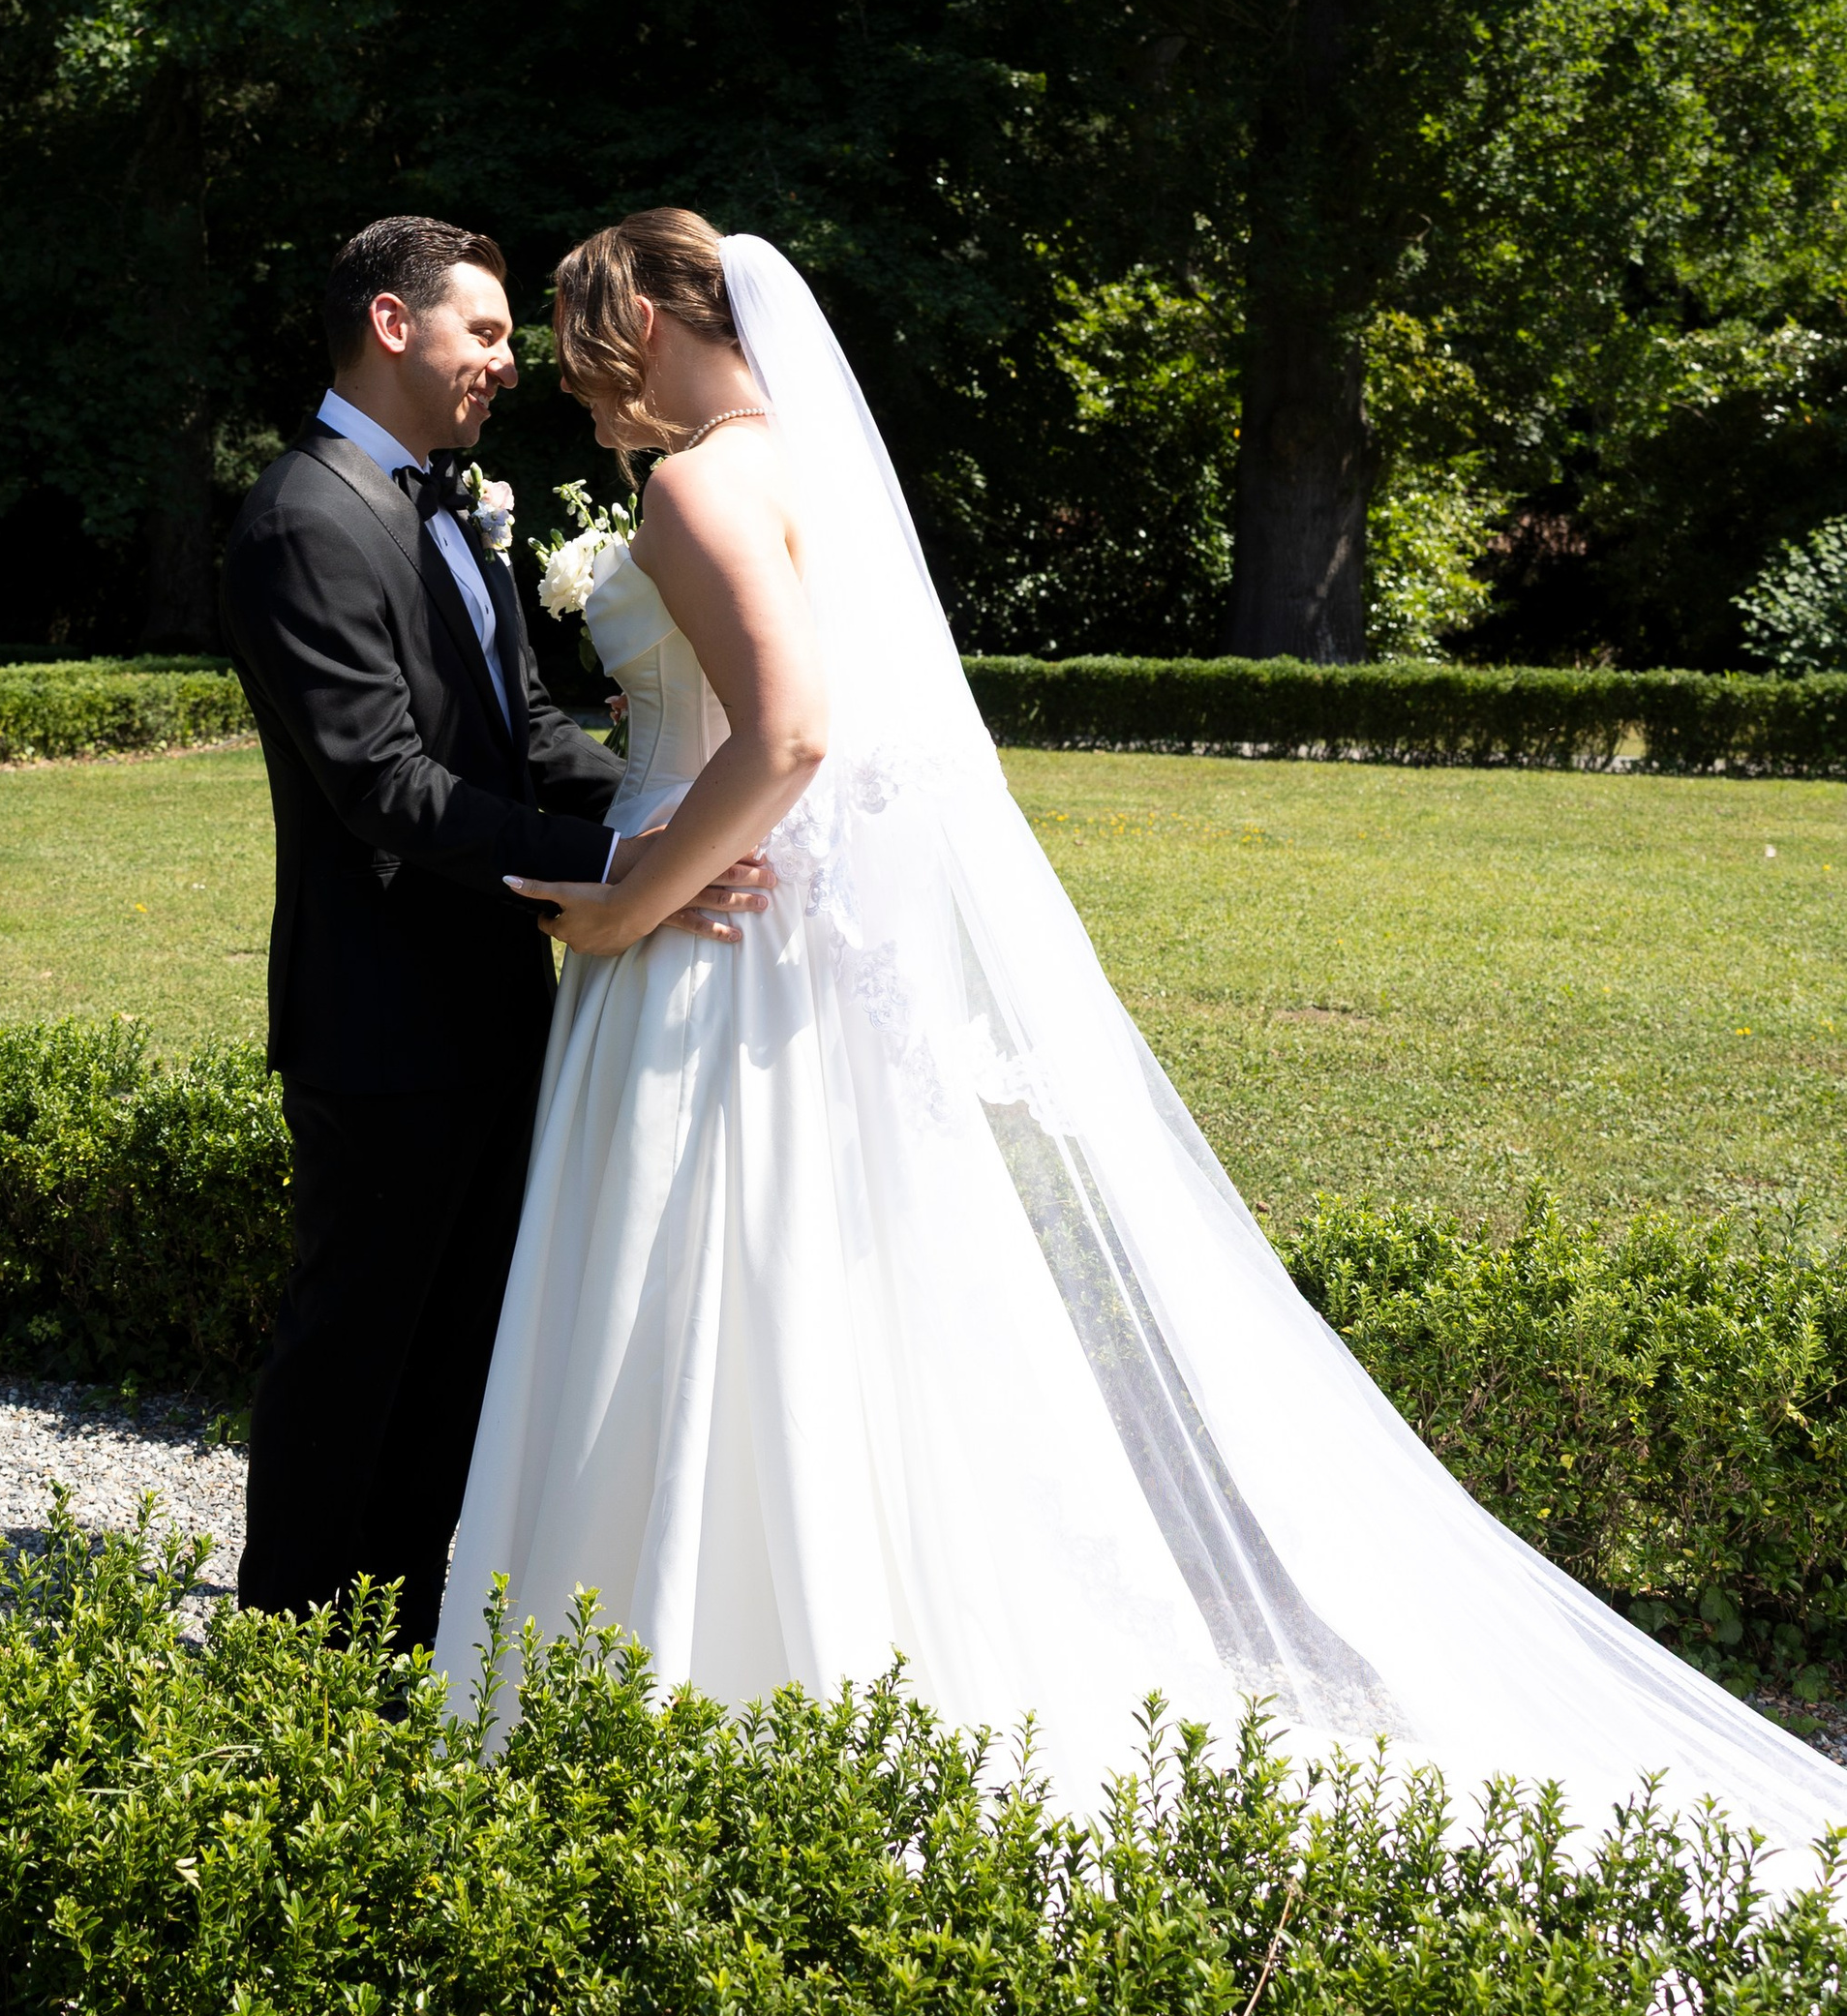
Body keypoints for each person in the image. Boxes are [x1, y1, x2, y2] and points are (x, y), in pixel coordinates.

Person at [434, 210, 1847, 1873]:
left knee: (693, 1289)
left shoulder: (700, 484)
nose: (579, 387)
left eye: (588, 343)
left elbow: (796, 734)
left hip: (710, 949)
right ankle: (786, 1655)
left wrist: (626, 907)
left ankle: (669, 1681)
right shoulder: (800, 467)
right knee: (790, 1293)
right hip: (783, 945)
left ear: (659, 322)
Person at [220, 214, 771, 1654]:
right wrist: (618, 857)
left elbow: (522, 731)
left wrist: (688, 814)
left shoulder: (449, 505)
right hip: (382, 1018)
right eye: (486, 331)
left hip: (498, 1002)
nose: (509, 363)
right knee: (355, 1353)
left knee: (458, 1357)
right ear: (394, 327)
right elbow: (384, 788)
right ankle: (289, 1659)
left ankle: (402, 1651)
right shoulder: (302, 516)